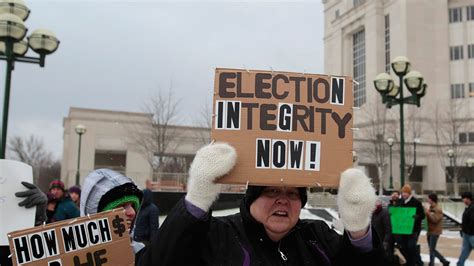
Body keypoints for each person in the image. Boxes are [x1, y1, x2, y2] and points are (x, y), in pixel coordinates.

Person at [136, 143, 384, 265]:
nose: (282, 200)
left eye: (293, 194)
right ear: (251, 197)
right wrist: (197, 199)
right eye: (271, 190)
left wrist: (358, 227)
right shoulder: (217, 235)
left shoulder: (317, 237)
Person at [80, 168, 144, 253]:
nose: (132, 212)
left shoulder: (141, 253)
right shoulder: (74, 258)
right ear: (96, 214)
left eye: (132, 205)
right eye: (122, 206)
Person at [399, 184, 425, 266]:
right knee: (405, 247)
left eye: (405, 192)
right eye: (403, 192)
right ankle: (409, 263)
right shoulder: (401, 202)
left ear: (409, 193)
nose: (404, 194)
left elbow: (422, 215)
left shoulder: (416, 202)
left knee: (411, 246)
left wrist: (417, 217)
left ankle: (418, 263)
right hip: (404, 229)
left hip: (414, 229)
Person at [425, 193, 449, 266]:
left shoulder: (438, 209)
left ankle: (431, 263)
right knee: (432, 249)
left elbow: (435, 220)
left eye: (428, 198)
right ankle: (444, 261)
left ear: (432, 199)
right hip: (430, 231)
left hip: (435, 232)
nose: (427, 200)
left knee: (432, 249)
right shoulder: (430, 208)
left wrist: (428, 213)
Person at [457, 192, 474, 266]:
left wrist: (466, 230)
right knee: (464, 251)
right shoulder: (468, 207)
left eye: (463, 198)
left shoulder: (472, 207)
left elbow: (472, 221)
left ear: (467, 198)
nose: (463, 200)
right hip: (467, 234)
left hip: (471, 234)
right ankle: (460, 264)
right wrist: (463, 230)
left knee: (465, 251)